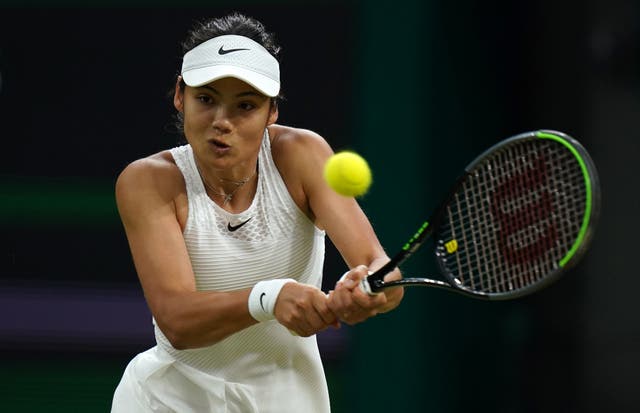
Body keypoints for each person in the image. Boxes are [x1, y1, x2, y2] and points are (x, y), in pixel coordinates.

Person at [111, 12, 403, 413]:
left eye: (245, 105)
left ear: (272, 112)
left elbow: (381, 269)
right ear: (180, 95)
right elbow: (176, 320)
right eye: (206, 99)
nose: (221, 122)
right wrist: (270, 297)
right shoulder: (149, 181)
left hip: (288, 398)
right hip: (171, 400)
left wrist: (369, 289)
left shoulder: (303, 155)